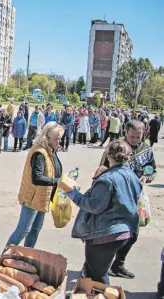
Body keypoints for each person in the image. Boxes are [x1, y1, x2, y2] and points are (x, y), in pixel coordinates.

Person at [67, 140, 142, 284]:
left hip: (106, 234)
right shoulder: (132, 176)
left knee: (98, 275)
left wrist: (74, 194)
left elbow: (94, 206)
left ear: (108, 156)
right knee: (91, 272)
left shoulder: (107, 179)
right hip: (125, 231)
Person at [97, 120, 157, 278]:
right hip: (116, 197)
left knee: (132, 234)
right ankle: (93, 265)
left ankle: (118, 265)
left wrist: (147, 176)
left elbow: (152, 169)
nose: (135, 140)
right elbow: (102, 168)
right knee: (109, 233)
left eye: (138, 137)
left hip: (136, 197)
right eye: (132, 136)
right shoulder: (116, 147)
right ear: (125, 132)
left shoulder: (147, 150)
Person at [5, 122, 64, 248]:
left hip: (42, 198)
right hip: (32, 197)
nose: (60, 141)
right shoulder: (39, 153)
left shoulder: (50, 150)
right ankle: (3, 257)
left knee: (35, 230)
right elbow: (36, 178)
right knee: (23, 230)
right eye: (57, 139)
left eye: (60, 138)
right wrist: (57, 182)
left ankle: (25, 256)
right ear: (48, 138)